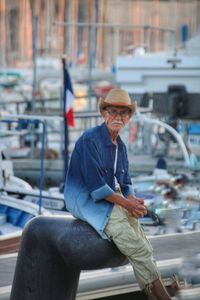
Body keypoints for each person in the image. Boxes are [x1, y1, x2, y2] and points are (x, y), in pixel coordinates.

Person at [64, 88, 179, 300]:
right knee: (137, 248)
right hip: (84, 198)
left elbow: (125, 184)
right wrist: (127, 204)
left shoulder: (121, 147)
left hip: (109, 196)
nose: (117, 117)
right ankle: (162, 296)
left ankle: (154, 293)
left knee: (144, 243)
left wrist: (133, 199)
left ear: (128, 118)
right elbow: (96, 188)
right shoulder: (90, 140)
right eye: (112, 112)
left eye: (123, 113)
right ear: (104, 113)